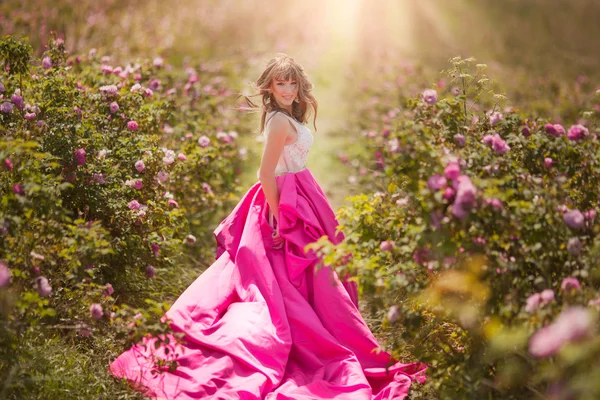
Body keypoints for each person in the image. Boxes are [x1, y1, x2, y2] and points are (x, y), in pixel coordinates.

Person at [108, 53, 427, 399]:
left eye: (292, 82)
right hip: (284, 200)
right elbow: (265, 173)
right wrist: (278, 217)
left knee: (311, 276)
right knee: (283, 278)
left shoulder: (286, 115)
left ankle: (314, 328)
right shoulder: (277, 121)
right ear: (270, 88)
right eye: (280, 83)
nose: (288, 89)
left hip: (301, 193)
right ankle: (296, 338)